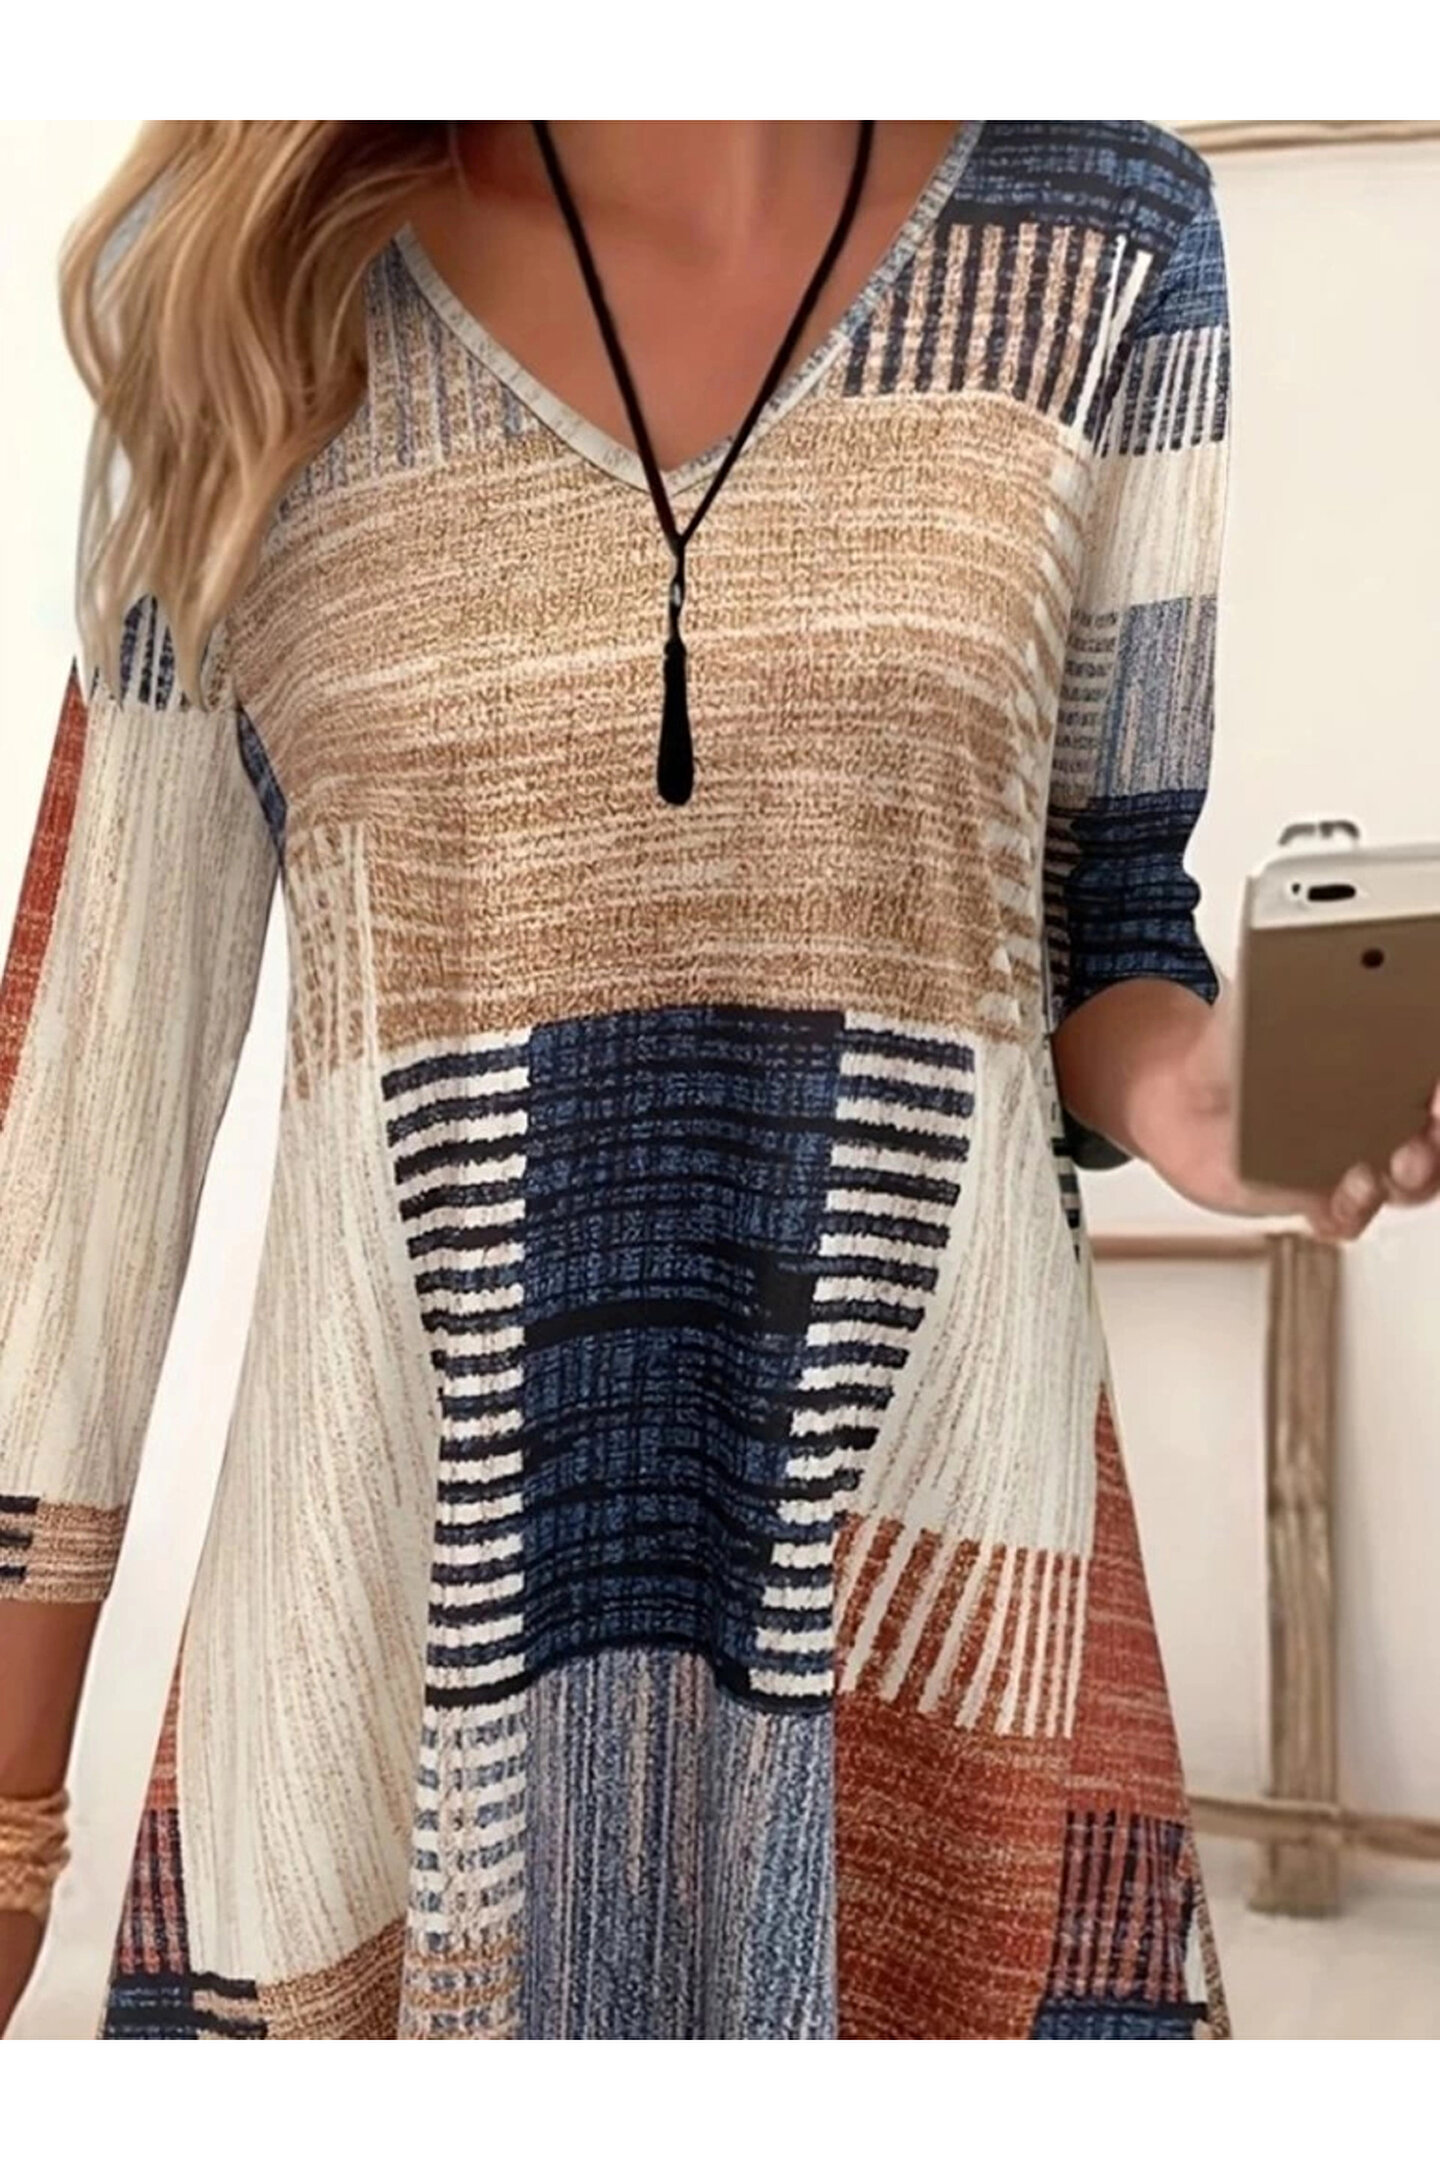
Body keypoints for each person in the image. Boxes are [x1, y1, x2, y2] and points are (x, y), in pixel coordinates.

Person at [1, 118, 1438, 2045]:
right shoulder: (250, 285)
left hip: (935, 1609)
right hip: (387, 1639)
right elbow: (83, 1128)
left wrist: (1198, 1085)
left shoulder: (1111, 241)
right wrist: (10, 1819)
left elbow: (1099, 917)